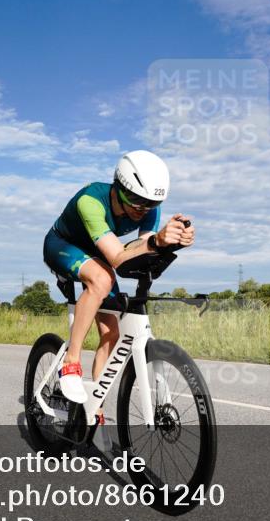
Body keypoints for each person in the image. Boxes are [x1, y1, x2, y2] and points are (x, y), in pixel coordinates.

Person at [43, 150, 194, 424]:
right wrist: (155, 242)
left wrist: (168, 241)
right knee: (101, 280)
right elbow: (116, 256)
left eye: (150, 202)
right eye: (135, 199)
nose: (141, 209)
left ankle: (94, 408)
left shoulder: (148, 210)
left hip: (98, 251)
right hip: (62, 246)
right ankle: (71, 362)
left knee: (111, 333)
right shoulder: (91, 201)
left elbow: (140, 249)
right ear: (119, 186)